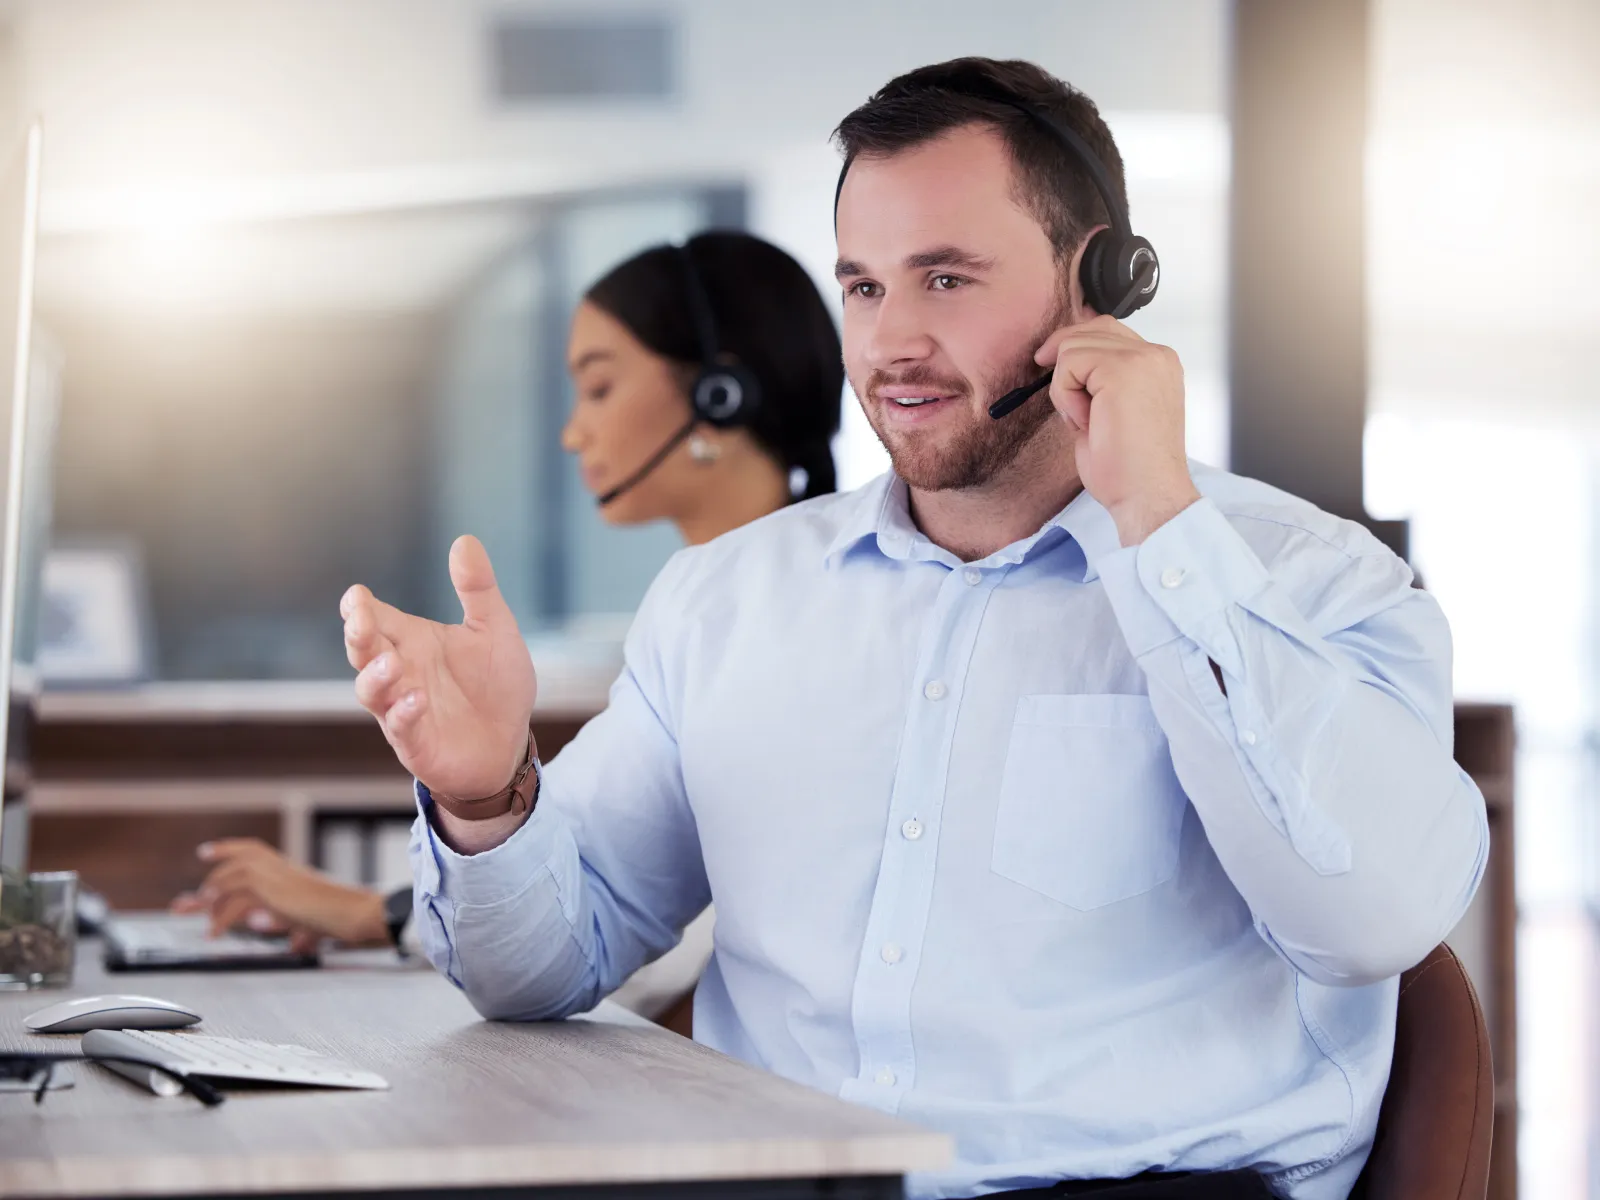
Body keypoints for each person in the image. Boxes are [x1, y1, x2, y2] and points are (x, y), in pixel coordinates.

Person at [339, 58, 1488, 1200]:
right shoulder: (729, 601)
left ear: (1096, 285)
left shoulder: (1316, 581)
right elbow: (538, 969)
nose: (889, 345)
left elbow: (1370, 918)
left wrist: (1159, 528)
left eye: (944, 280)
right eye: (865, 287)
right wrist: (490, 799)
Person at [174, 231, 843, 1025]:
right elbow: (590, 874)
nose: (572, 432)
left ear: (719, 392)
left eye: (598, 388)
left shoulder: (809, 625)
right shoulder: (701, 613)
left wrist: (377, 915)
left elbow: (677, 938)